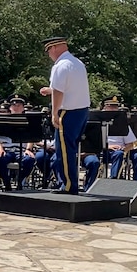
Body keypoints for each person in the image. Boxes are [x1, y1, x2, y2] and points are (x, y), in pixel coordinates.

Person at [39, 36, 90, 195]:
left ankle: (67, 185)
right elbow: (70, 87)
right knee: (70, 149)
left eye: (49, 51)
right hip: (82, 111)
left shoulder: (60, 66)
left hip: (68, 112)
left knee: (64, 151)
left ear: (53, 48)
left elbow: (60, 92)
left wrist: (54, 113)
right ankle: (69, 183)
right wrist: (50, 90)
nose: (49, 55)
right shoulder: (77, 63)